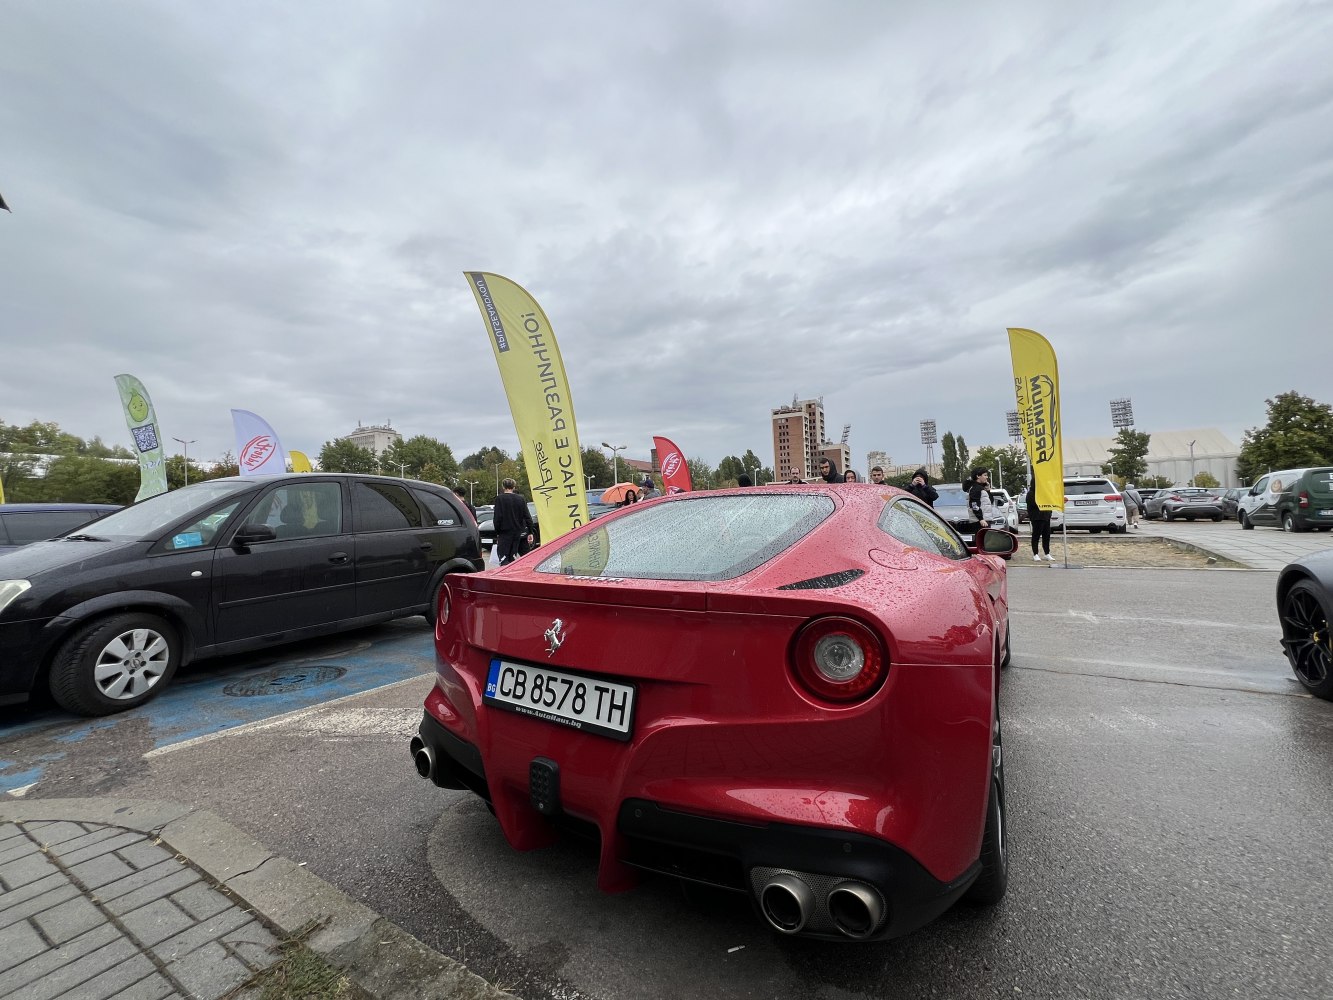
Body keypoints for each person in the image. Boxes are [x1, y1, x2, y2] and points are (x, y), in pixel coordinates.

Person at [492, 478, 535, 565]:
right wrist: (530, 532)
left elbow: (497, 518)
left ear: (503, 487)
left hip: (505, 533)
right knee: (515, 557)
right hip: (518, 533)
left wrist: (497, 532)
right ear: (514, 487)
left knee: (504, 559)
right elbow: (527, 516)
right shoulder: (521, 499)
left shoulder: (499, 499)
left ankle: (505, 576)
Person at [1026, 482, 1055, 561]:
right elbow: (1034, 504)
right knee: (1036, 536)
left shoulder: (1045, 492)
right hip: (1037, 517)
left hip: (1046, 516)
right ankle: (1035, 554)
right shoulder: (1031, 494)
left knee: (1047, 535)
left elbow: (1050, 502)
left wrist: (1049, 513)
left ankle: (1047, 553)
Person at [966, 467, 998, 532]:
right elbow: (974, 504)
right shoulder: (975, 488)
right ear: (978, 476)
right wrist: (981, 519)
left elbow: (990, 501)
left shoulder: (982, 488)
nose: (987, 477)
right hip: (980, 522)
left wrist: (988, 490)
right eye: (985, 475)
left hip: (985, 519)